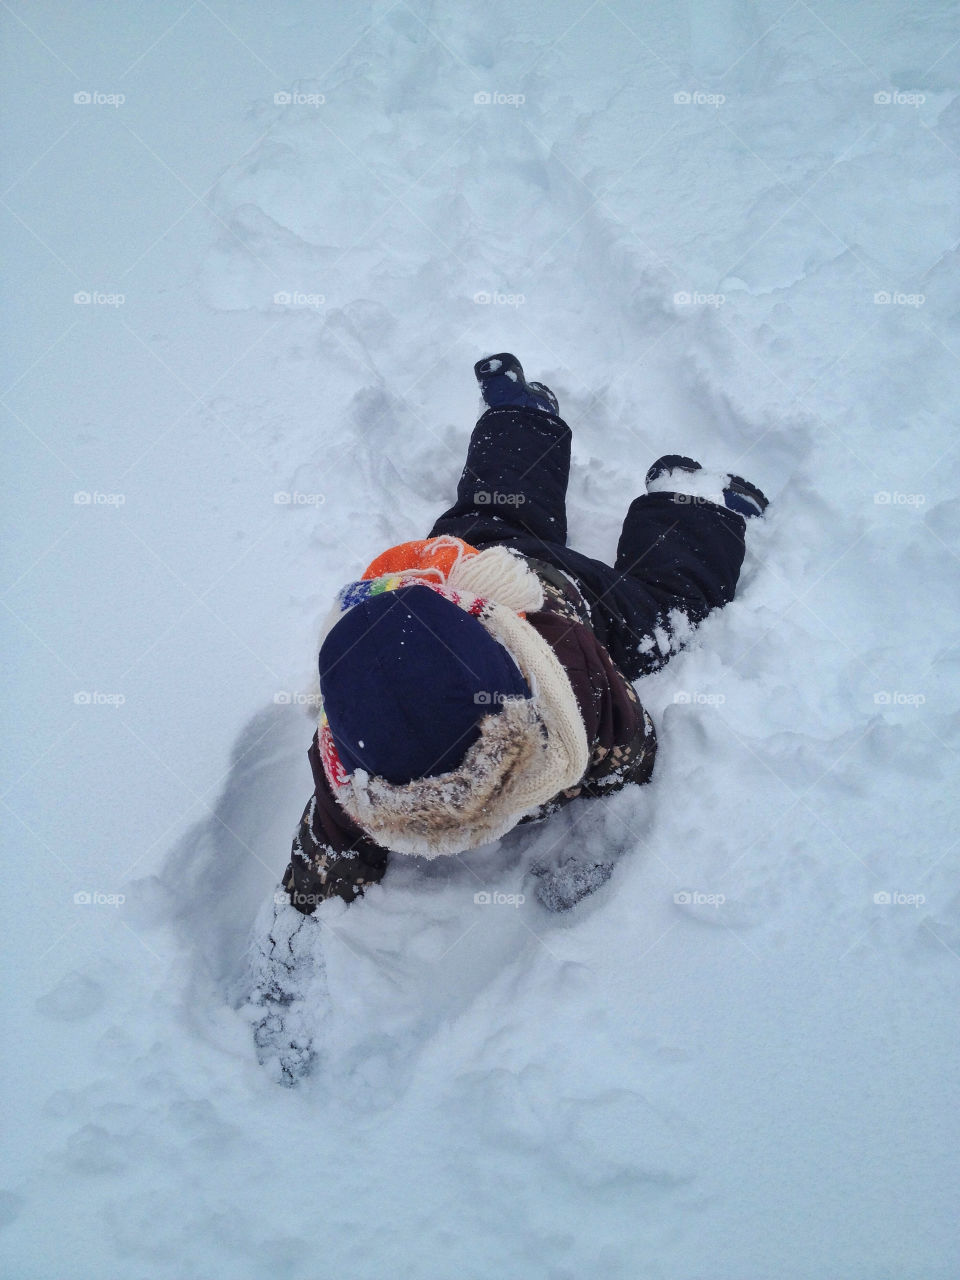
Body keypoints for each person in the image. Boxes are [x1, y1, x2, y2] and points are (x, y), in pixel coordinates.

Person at [282, 353, 768, 913]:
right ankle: (521, 415)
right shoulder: (348, 762)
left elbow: (629, 742)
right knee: (492, 511)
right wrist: (291, 939)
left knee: (661, 618)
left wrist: (601, 829)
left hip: (558, 594)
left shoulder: (569, 668)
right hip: (463, 563)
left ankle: (694, 506)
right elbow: (323, 856)